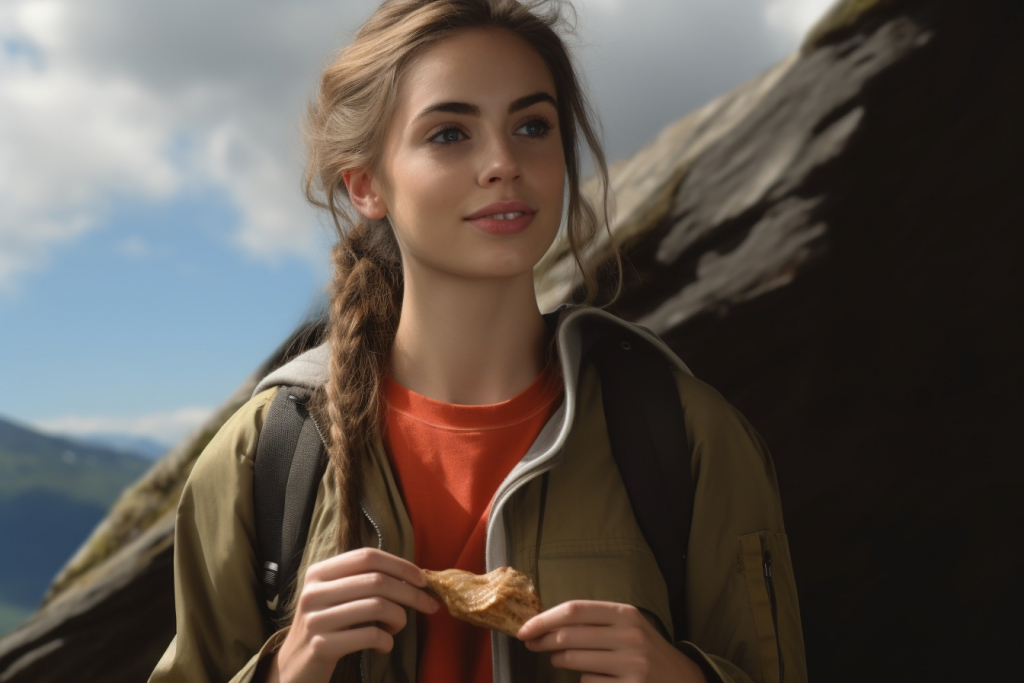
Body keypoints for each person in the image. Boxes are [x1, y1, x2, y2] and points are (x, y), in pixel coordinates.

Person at [148, 1, 806, 682]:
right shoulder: (265, 454)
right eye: (449, 134)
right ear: (366, 184)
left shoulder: (685, 434)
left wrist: (683, 676)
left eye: (532, 126)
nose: (502, 162)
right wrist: (286, 669)